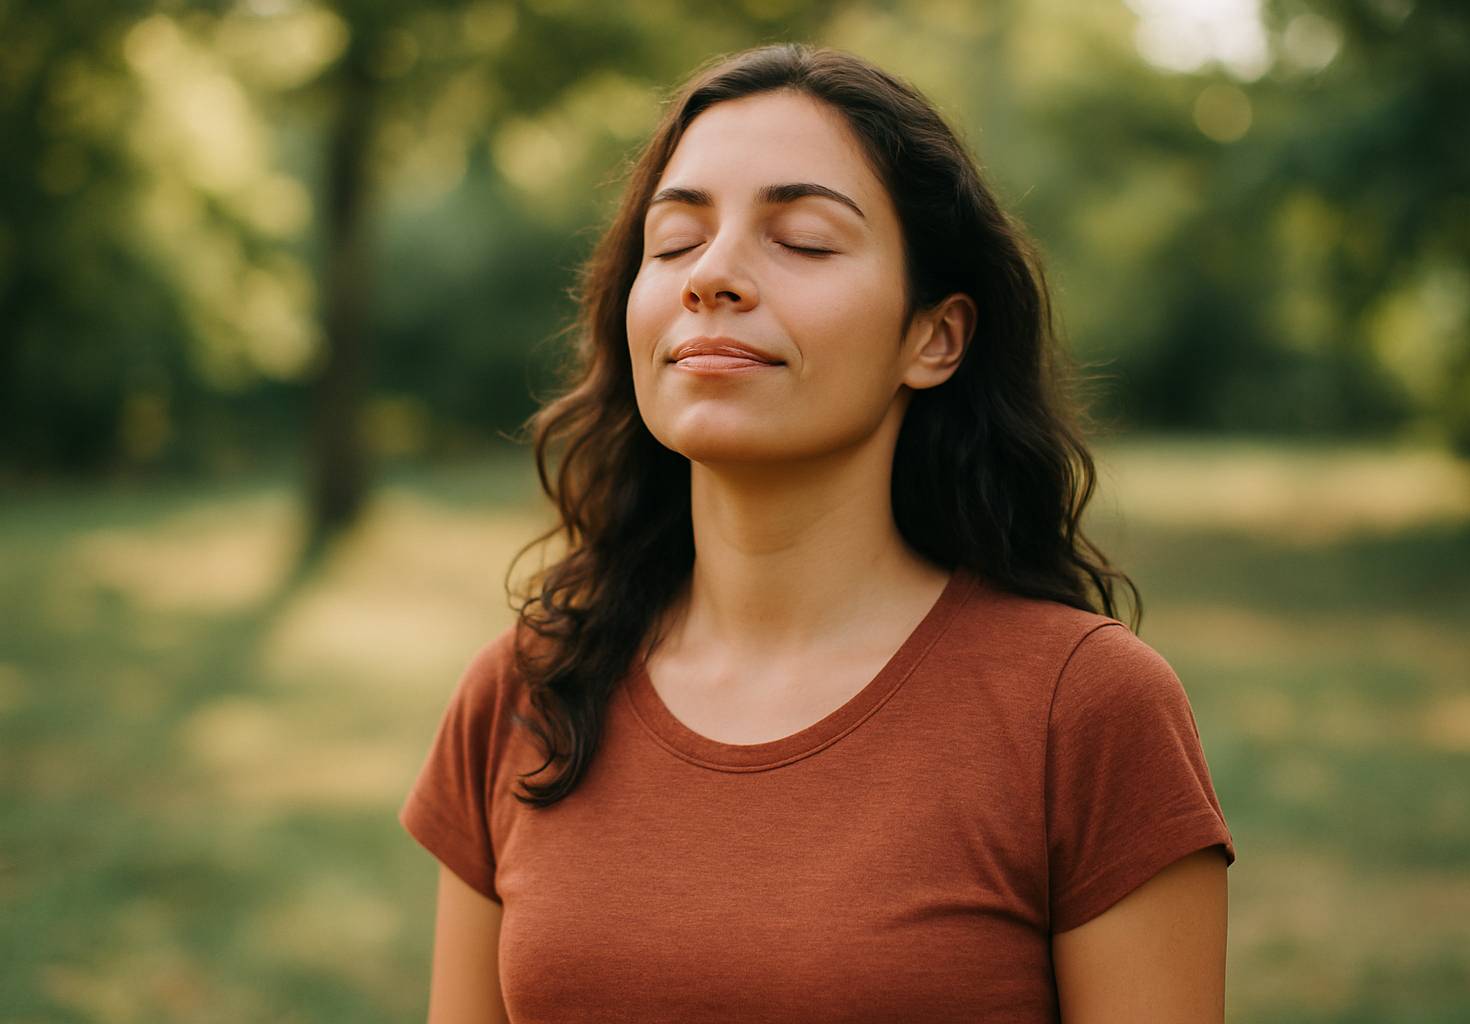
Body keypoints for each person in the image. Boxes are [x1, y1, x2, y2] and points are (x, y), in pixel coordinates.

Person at [399, 42, 1236, 1024]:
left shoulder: (1086, 711)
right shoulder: (522, 693)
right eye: (674, 242)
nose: (712, 275)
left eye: (800, 238)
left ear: (935, 337)